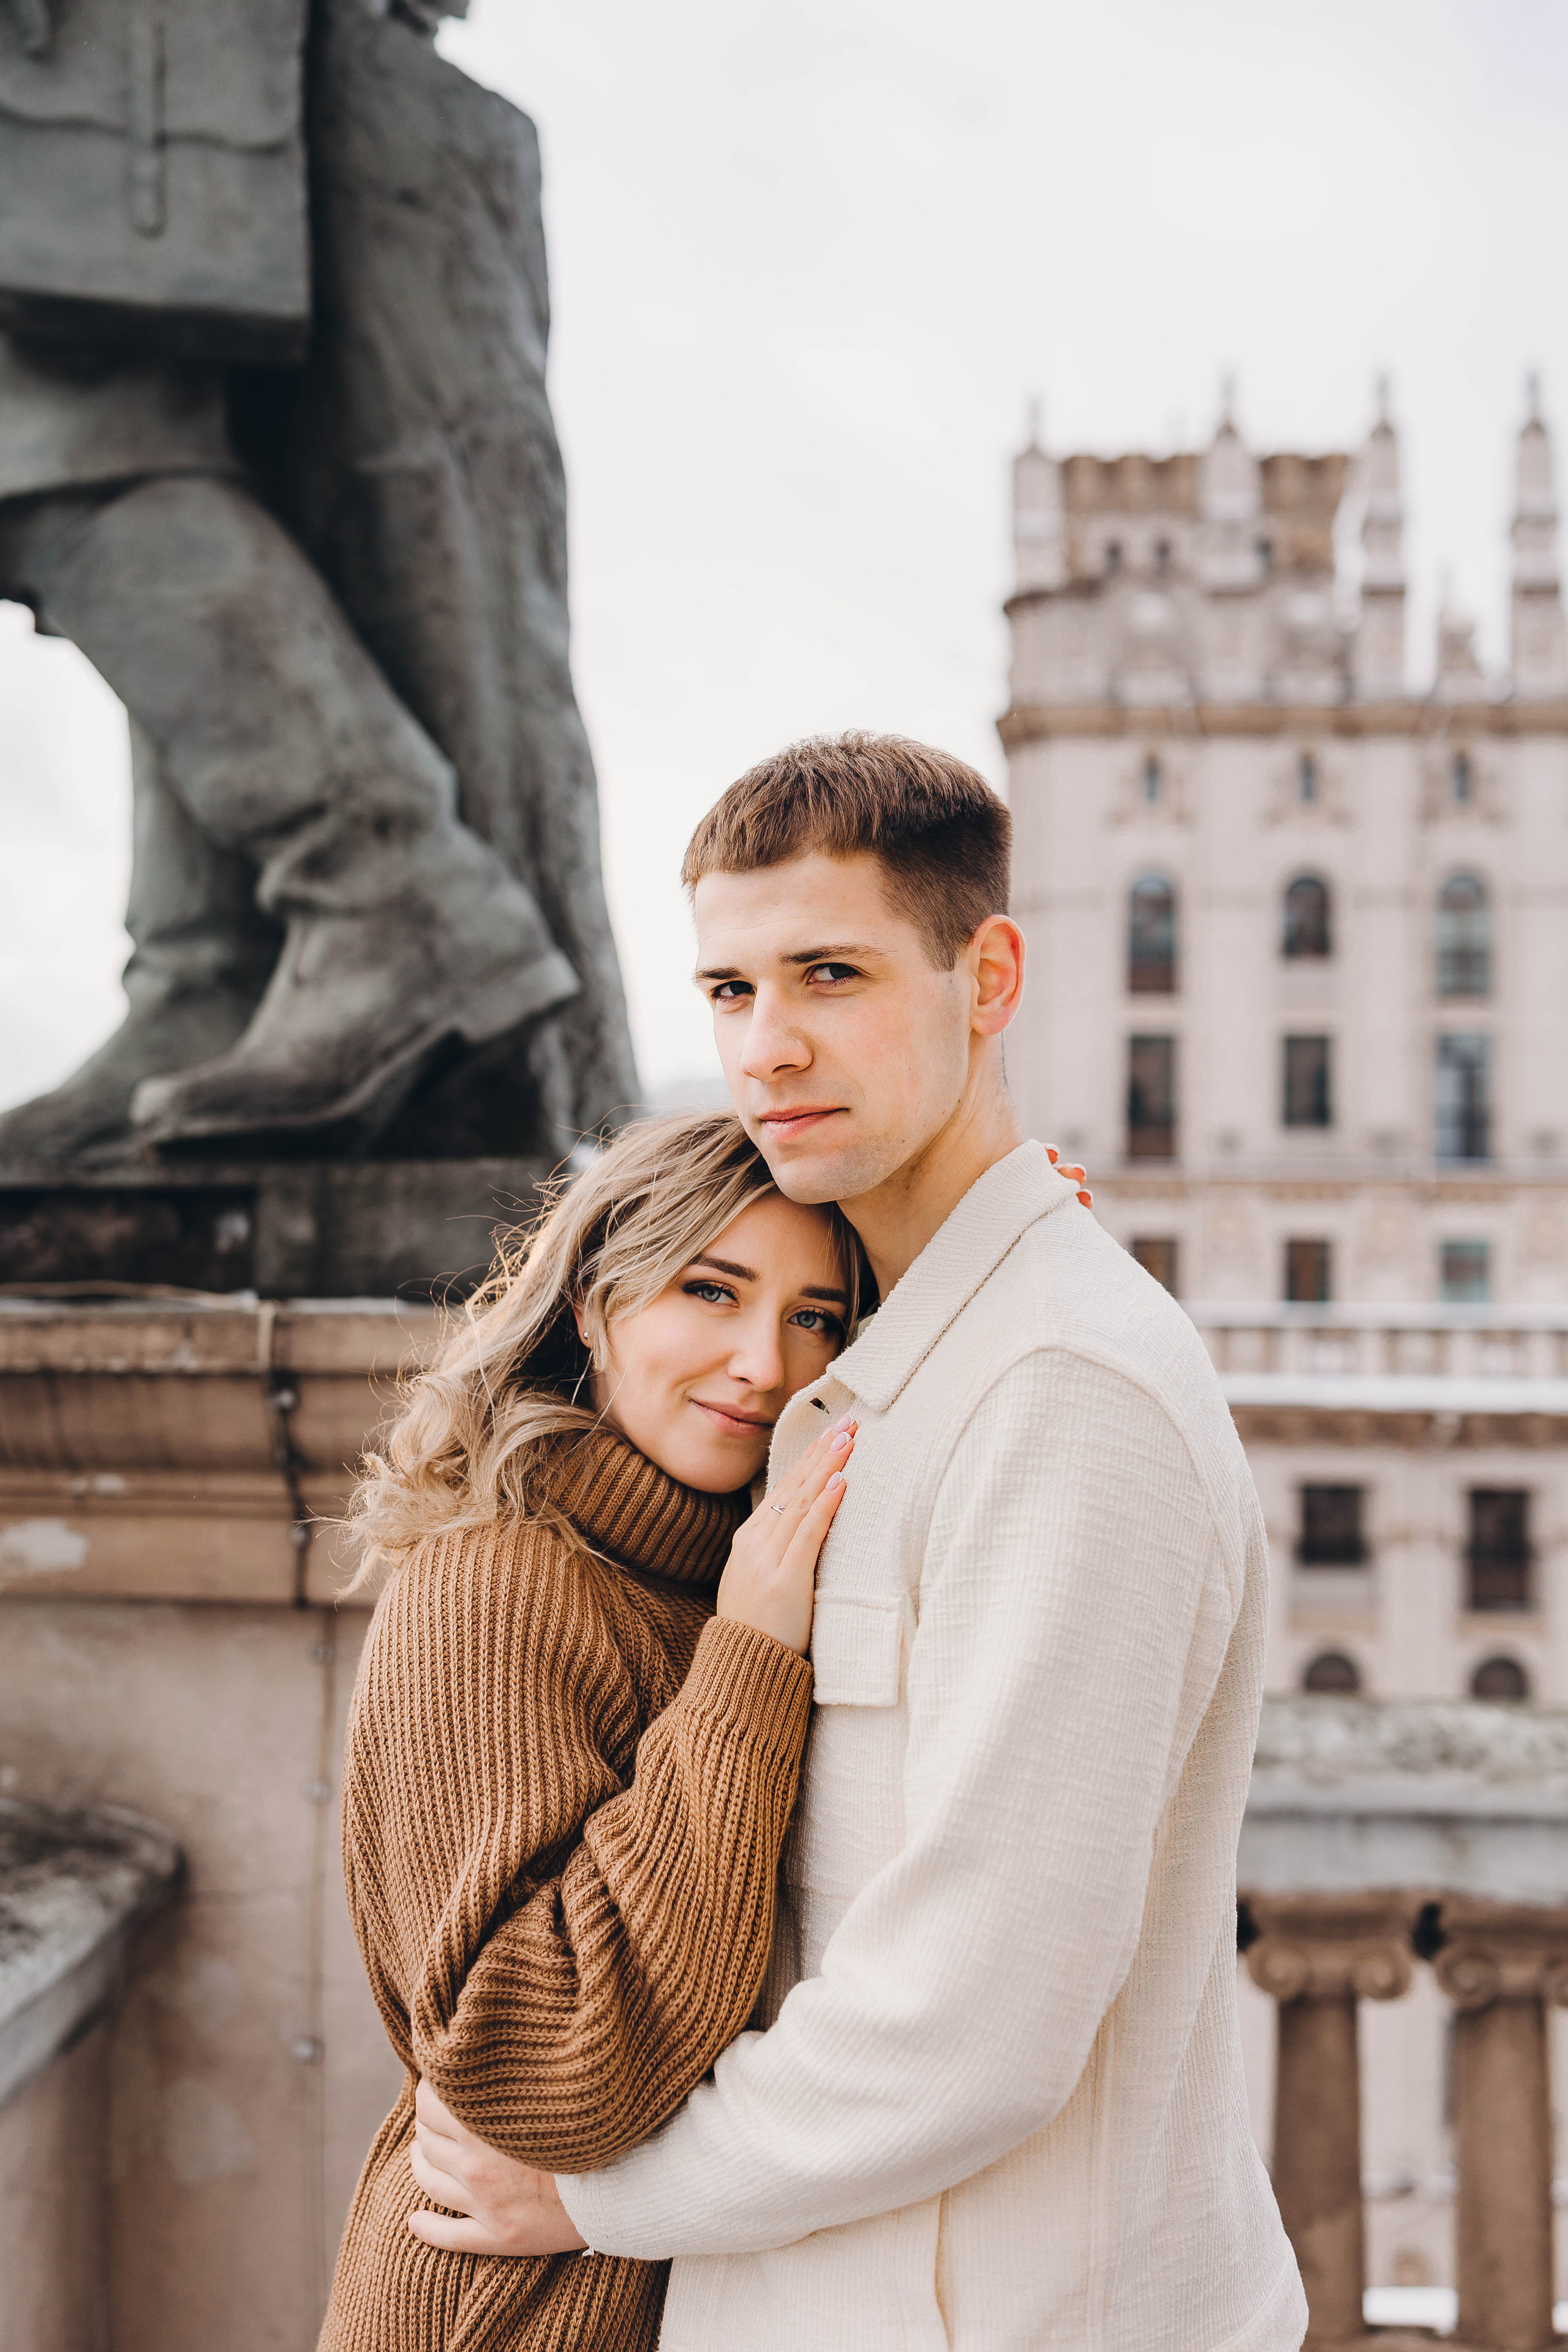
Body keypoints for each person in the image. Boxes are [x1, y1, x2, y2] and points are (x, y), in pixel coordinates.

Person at [410, 733, 1308, 2352]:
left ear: (990, 976)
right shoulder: (903, 1359)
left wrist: (593, 2198)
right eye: (730, 992)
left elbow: (978, 2019)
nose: (769, 1047)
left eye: (829, 974)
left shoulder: (1058, 1387)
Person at [318, 1109, 867, 2351]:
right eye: (710, 1291)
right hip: (505, 2310)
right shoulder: (502, 1579)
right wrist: (747, 1661)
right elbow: (547, 2062)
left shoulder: (715, 1565)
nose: (762, 1364)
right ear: (594, 1305)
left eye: (814, 1316)